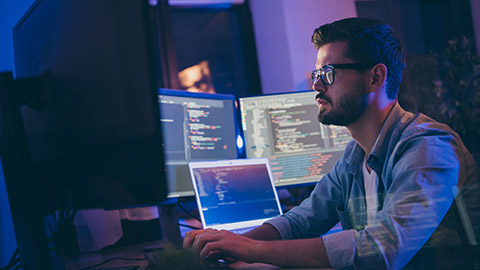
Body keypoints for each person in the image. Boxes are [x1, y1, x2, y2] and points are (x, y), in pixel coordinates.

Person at [183, 17, 480, 269]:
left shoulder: (428, 147)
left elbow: (385, 248)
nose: (316, 85)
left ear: (375, 77)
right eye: (316, 74)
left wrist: (252, 251)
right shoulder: (355, 156)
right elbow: (302, 221)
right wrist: (232, 242)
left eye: (328, 73)